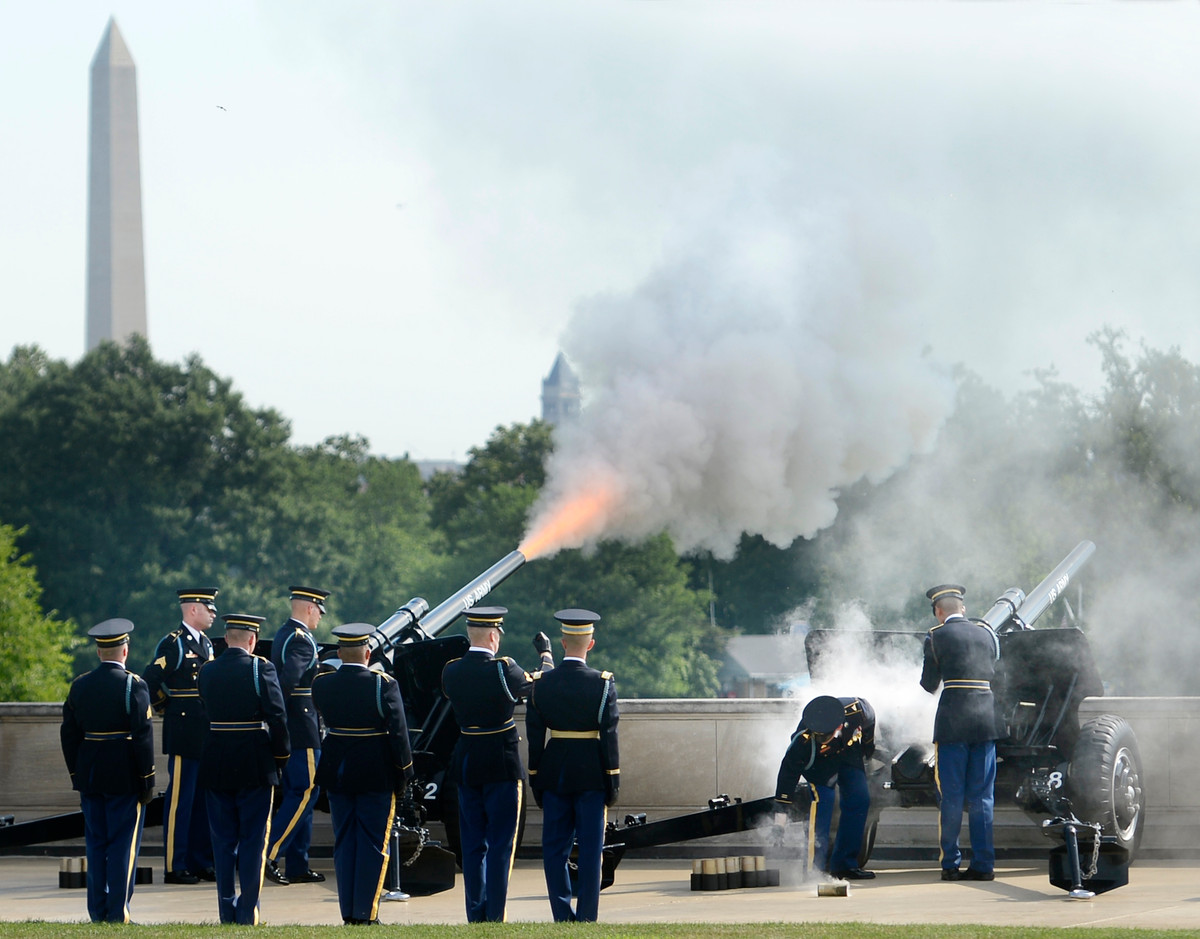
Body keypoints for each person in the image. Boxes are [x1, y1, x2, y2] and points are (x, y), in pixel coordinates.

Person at [440, 606, 554, 923]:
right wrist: (545, 653)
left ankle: (475, 913)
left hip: (466, 763)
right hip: (501, 765)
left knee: (473, 844)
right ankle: (494, 914)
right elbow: (540, 683)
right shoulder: (505, 669)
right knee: (501, 845)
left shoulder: (451, 670)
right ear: (494, 635)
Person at [311, 624, 414, 925]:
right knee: (372, 843)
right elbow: (399, 734)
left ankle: (348, 913)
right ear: (368, 653)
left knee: (344, 841)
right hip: (375, 771)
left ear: (340, 653)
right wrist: (405, 772)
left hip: (338, 771)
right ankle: (365, 913)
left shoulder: (323, 684)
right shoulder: (383, 685)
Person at [525, 608, 620, 922]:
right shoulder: (603, 683)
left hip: (554, 773)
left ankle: (562, 915)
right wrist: (613, 780)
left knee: (554, 849)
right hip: (592, 773)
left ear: (562, 643)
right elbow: (609, 736)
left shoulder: (541, 683)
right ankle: (587, 916)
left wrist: (535, 778)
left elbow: (535, 736)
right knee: (592, 851)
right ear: (590, 644)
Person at [60, 618, 157, 923]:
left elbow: (69, 735)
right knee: (122, 844)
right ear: (124, 651)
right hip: (124, 775)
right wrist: (147, 779)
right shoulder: (133, 685)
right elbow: (142, 737)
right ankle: (118, 912)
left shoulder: (80, 685)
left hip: (90, 775)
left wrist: (76, 774)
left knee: (96, 842)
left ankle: (97, 911)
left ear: (99, 652)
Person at [196, 613, 290, 925]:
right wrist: (280, 758)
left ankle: (226, 911)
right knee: (252, 840)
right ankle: (248, 911)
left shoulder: (208, 670)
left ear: (225, 640)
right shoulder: (260, 668)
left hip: (216, 760)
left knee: (222, 841)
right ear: (252, 640)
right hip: (253, 761)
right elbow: (277, 716)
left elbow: (205, 708)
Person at [920, 583, 1001, 882]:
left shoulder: (936, 636)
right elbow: (996, 672)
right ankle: (984, 864)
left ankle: (950, 864)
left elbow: (929, 684)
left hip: (953, 723)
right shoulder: (987, 633)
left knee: (952, 796)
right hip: (986, 722)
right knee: (982, 798)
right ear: (963, 608)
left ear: (939, 611)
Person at [143, 587, 219, 884]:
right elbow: (150, 681)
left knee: (202, 801)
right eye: (208, 607)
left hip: (204, 732)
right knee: (181, 801)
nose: (213, 612)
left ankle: (200, 861)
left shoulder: (207, 644)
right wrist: (168, 707)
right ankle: (176, 865)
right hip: (184, 731)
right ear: (192, 609)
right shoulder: (174, 643)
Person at [265, 585, 331, 887]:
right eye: (319, 610)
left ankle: (297, 863)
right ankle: (270, 852)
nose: (320, 616)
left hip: (298, 725)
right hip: (302, 728)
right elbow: (287, 681)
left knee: (304, 793)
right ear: (309, 608)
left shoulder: (284, 633)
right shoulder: (302, 640)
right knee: (304, 791)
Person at [774, 694, 876, 881]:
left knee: (859, 799)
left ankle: (845, 865)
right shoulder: (802, 742)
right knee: (822, 803)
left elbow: (869, 724)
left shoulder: (857, 710)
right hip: (819, 765)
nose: (821, 739)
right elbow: (786, 782)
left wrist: (868, 746)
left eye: (825, 736)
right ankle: (814, 869)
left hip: (848, 751)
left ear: (838, 727)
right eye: (818, 735)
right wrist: (778, 825)